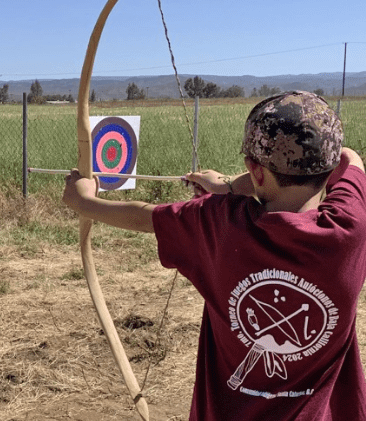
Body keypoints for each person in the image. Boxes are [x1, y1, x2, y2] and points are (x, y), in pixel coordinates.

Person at [62, 91, 366, 420]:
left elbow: (145, 216)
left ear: (256, 171)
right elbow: (349, 158)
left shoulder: (222, 222)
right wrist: (234, 185)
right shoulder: (351, 226)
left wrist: (84, 203)